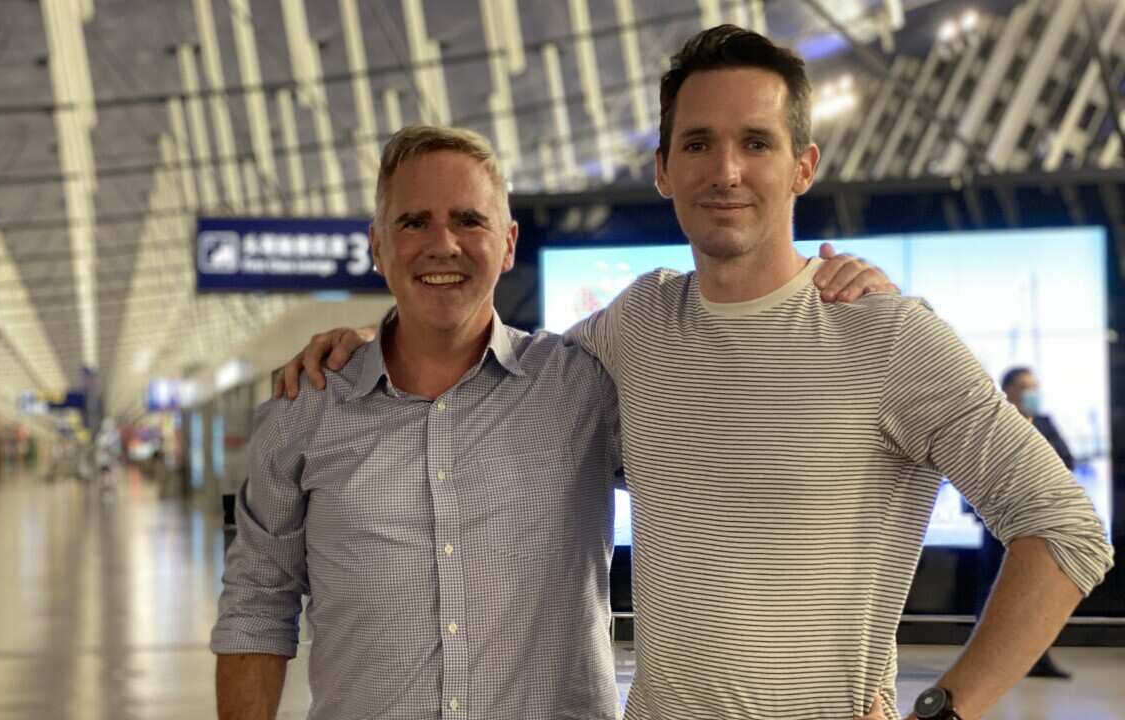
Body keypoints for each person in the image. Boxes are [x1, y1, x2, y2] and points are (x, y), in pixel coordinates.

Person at [275, 25, 1113, 720]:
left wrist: (949, 710)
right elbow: (488, 367)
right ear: (663, 169)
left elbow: (1065, 530)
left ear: (804, 166)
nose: (727, 171)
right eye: (698, 144)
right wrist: (374, 334)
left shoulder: (885, 337)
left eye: (756, 143)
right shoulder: (635, 327)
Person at [212, 125, 894, 720]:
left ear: (508, 244)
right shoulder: (305, 412)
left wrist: (838, 316)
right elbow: (256, 606)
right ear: (377, 247)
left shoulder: (582, 385)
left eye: (468, 221)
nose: (441, 243)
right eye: (413, 222)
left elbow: (750, 474)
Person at [979, 366, 1080, 679]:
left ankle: (1038, 659)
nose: (1030, 392)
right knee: (995, 593)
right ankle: (988, 665)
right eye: (1024, 386)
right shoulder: (993, 424)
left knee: (1036, 591)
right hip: (998, 522)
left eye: (1034, 386)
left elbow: (1067, 460)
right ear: (1007, 390)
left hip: (1037, 521)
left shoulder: (1046, 423)